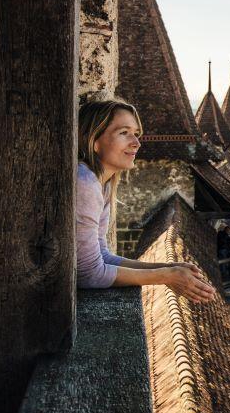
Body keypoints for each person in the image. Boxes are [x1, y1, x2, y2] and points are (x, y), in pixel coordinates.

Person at [76, 94, 216, 303]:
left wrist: (168, 268)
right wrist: (165, 276)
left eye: (136, 134)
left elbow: (101, 256)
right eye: (124, 133)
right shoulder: (85, 183)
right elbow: (89, 273)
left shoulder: (100, 183)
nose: (136, 143)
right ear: (94, 141)